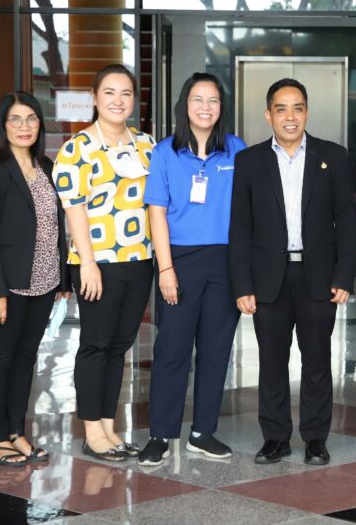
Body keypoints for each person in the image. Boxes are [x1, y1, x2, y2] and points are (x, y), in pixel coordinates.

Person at [229, 78, 356, 466]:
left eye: (298, 108)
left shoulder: (332, 156)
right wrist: (242, 283)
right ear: (268, 114)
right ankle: (275, 438)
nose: (290, 116)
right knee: (271, 361)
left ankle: (316, 438)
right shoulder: (249, 161)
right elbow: (240, 227)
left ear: (306, 112)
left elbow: (346, 223)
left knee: (317, 360)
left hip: (318, 277)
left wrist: (343, 277)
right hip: (269, 277)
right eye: (281, 109)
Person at [137, 73, 246, 466]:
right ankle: (161, 435)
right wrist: (165, 269)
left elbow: (248, 213)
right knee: (172, 349)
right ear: (185, 105)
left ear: (222, 107)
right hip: (179, 260)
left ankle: (203, 432)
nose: (206, 107)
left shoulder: (237, 150)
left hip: (225, 261)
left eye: (213, 100)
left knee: (217, 350)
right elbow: (157, 213)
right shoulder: (166, 152)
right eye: (198, 99)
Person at [52, 64, 156, 462]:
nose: (118, 100)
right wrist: (88, 264)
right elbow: (73, 210)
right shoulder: (77, 148)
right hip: (97, 262)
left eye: (126, 93)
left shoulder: (146, 144)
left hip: (139, 259)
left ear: (134, 100)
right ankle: (92, 430)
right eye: (109, 92)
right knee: (95, 345)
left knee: (119, 347)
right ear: (95, 98)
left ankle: (110, 427)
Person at [0, 92, 70, 466]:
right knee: (1, 358)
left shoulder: (46, 166)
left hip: (45, 280)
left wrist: (63, 281)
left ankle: (16, 431)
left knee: (26, 358)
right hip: (10, 285)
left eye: (31, 119)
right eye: (15, 119)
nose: (24, 126)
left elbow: (55, 226)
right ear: (3, 125)